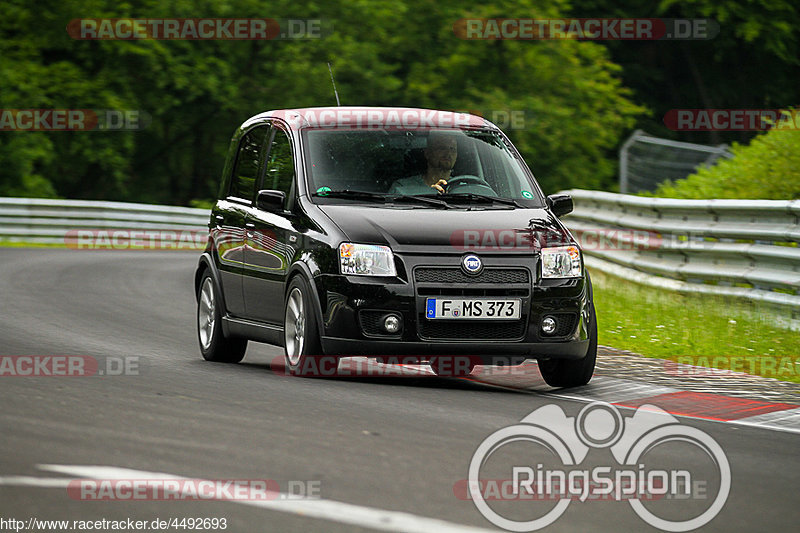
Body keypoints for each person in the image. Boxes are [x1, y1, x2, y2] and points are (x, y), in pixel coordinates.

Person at [389, 131, 458, 194]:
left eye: (453, 149)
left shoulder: (464, 187)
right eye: (442, 148)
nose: (448, 153)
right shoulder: (403, 188)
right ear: (427, 153)